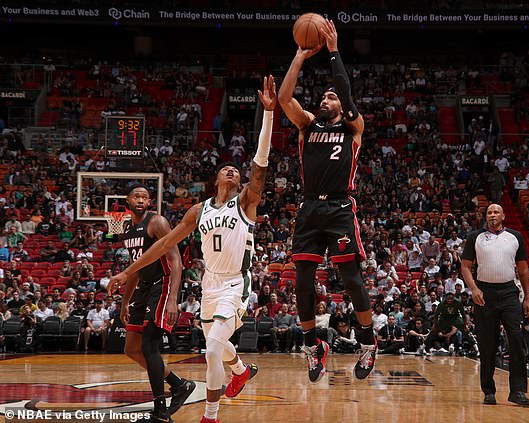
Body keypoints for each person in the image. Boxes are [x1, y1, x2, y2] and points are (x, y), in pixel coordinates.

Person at [109, 76, 276, 423]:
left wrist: (269, 115)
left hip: (235, 283)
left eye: (236, 170)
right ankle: (240, 370)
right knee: (217, 343)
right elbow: (165, 245)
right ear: (216, 179)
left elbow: (259, 165)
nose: (232, 170)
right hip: (209, 284)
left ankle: (210, 416)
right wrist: (127, 272)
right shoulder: (198, 211)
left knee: (212, 347)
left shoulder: (246, 203)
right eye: (225, 168)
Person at [279, 19, 377, 382]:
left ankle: (368, 342)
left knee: (350, 278)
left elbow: (347, 96)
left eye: (330, 96)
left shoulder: (353, 129)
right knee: (303, 283)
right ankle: (312, 346)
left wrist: (334, 52)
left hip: (339, 206)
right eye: (323, 96)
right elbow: (285, 98)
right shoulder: (307, 126)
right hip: (308, 207)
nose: (325, 99)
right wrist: (300, 56)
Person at [107, 183, 194, 423]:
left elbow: (176, 261)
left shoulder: (158, 223)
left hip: (162, 283)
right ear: (127, 200)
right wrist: (125, 302)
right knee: (131, 348)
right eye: (136, 195)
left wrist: (174, 298)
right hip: (143, 287)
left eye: (145, 196)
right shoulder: (125, 227)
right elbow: (135, 270)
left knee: (149, 345)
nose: (141, 199)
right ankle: (179, 385)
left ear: (149, 202)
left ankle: (161, 412)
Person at [461, 204, 529, 407]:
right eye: (489, 213)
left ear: (503, 215)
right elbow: (465, 266)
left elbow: (524, 270)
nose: (492, 215)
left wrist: (527, 298)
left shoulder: (515, 236)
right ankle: (488, 391)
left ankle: (517, 391)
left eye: (496, 212)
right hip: (485, 293)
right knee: (487, 344)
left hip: (509, 292)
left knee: (517, 340)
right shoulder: (476, 236)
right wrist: (474, 289)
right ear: (486, 217)